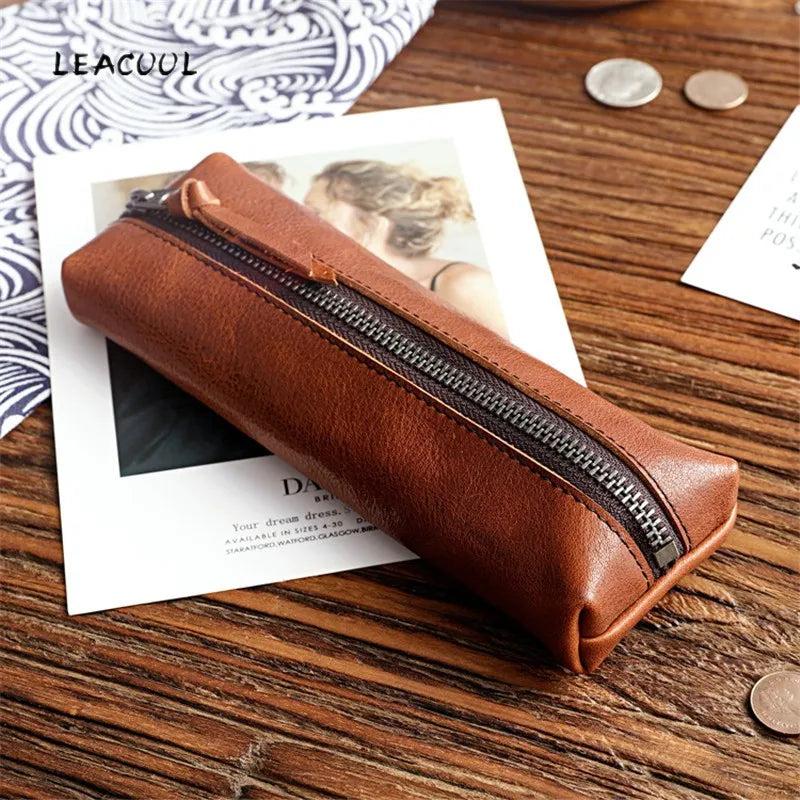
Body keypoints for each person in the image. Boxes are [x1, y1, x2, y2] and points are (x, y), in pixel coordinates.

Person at [304, 160, 507, 337]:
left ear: (370, 223)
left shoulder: (465, 285)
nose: (302, 222)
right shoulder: (339, 287)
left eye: (316, 213)